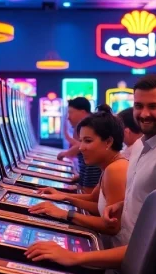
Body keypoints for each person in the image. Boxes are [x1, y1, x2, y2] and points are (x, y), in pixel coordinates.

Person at [26, 75, 156, 268]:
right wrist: (124, 203)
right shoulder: (142, 144)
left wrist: (76, 257)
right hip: (120, 253)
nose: (144, 113)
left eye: (153, 106)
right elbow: (150, 200)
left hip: (139, 269)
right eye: (139, 106)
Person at [31, 105, 128, 246]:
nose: (81, 147)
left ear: (108, 142)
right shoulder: (109, 166)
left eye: (88, 141)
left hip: (115, 252)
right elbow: (96, 204)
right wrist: (65, 197)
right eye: (81, 141)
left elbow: (112, 226)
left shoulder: (115, 169)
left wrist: (66, 214)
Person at [57, 97, 101, 193]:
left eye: (71, 112)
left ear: (82, 112)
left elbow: (89, 193)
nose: (68, 117)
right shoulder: (90, 126)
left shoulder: (92, 128)